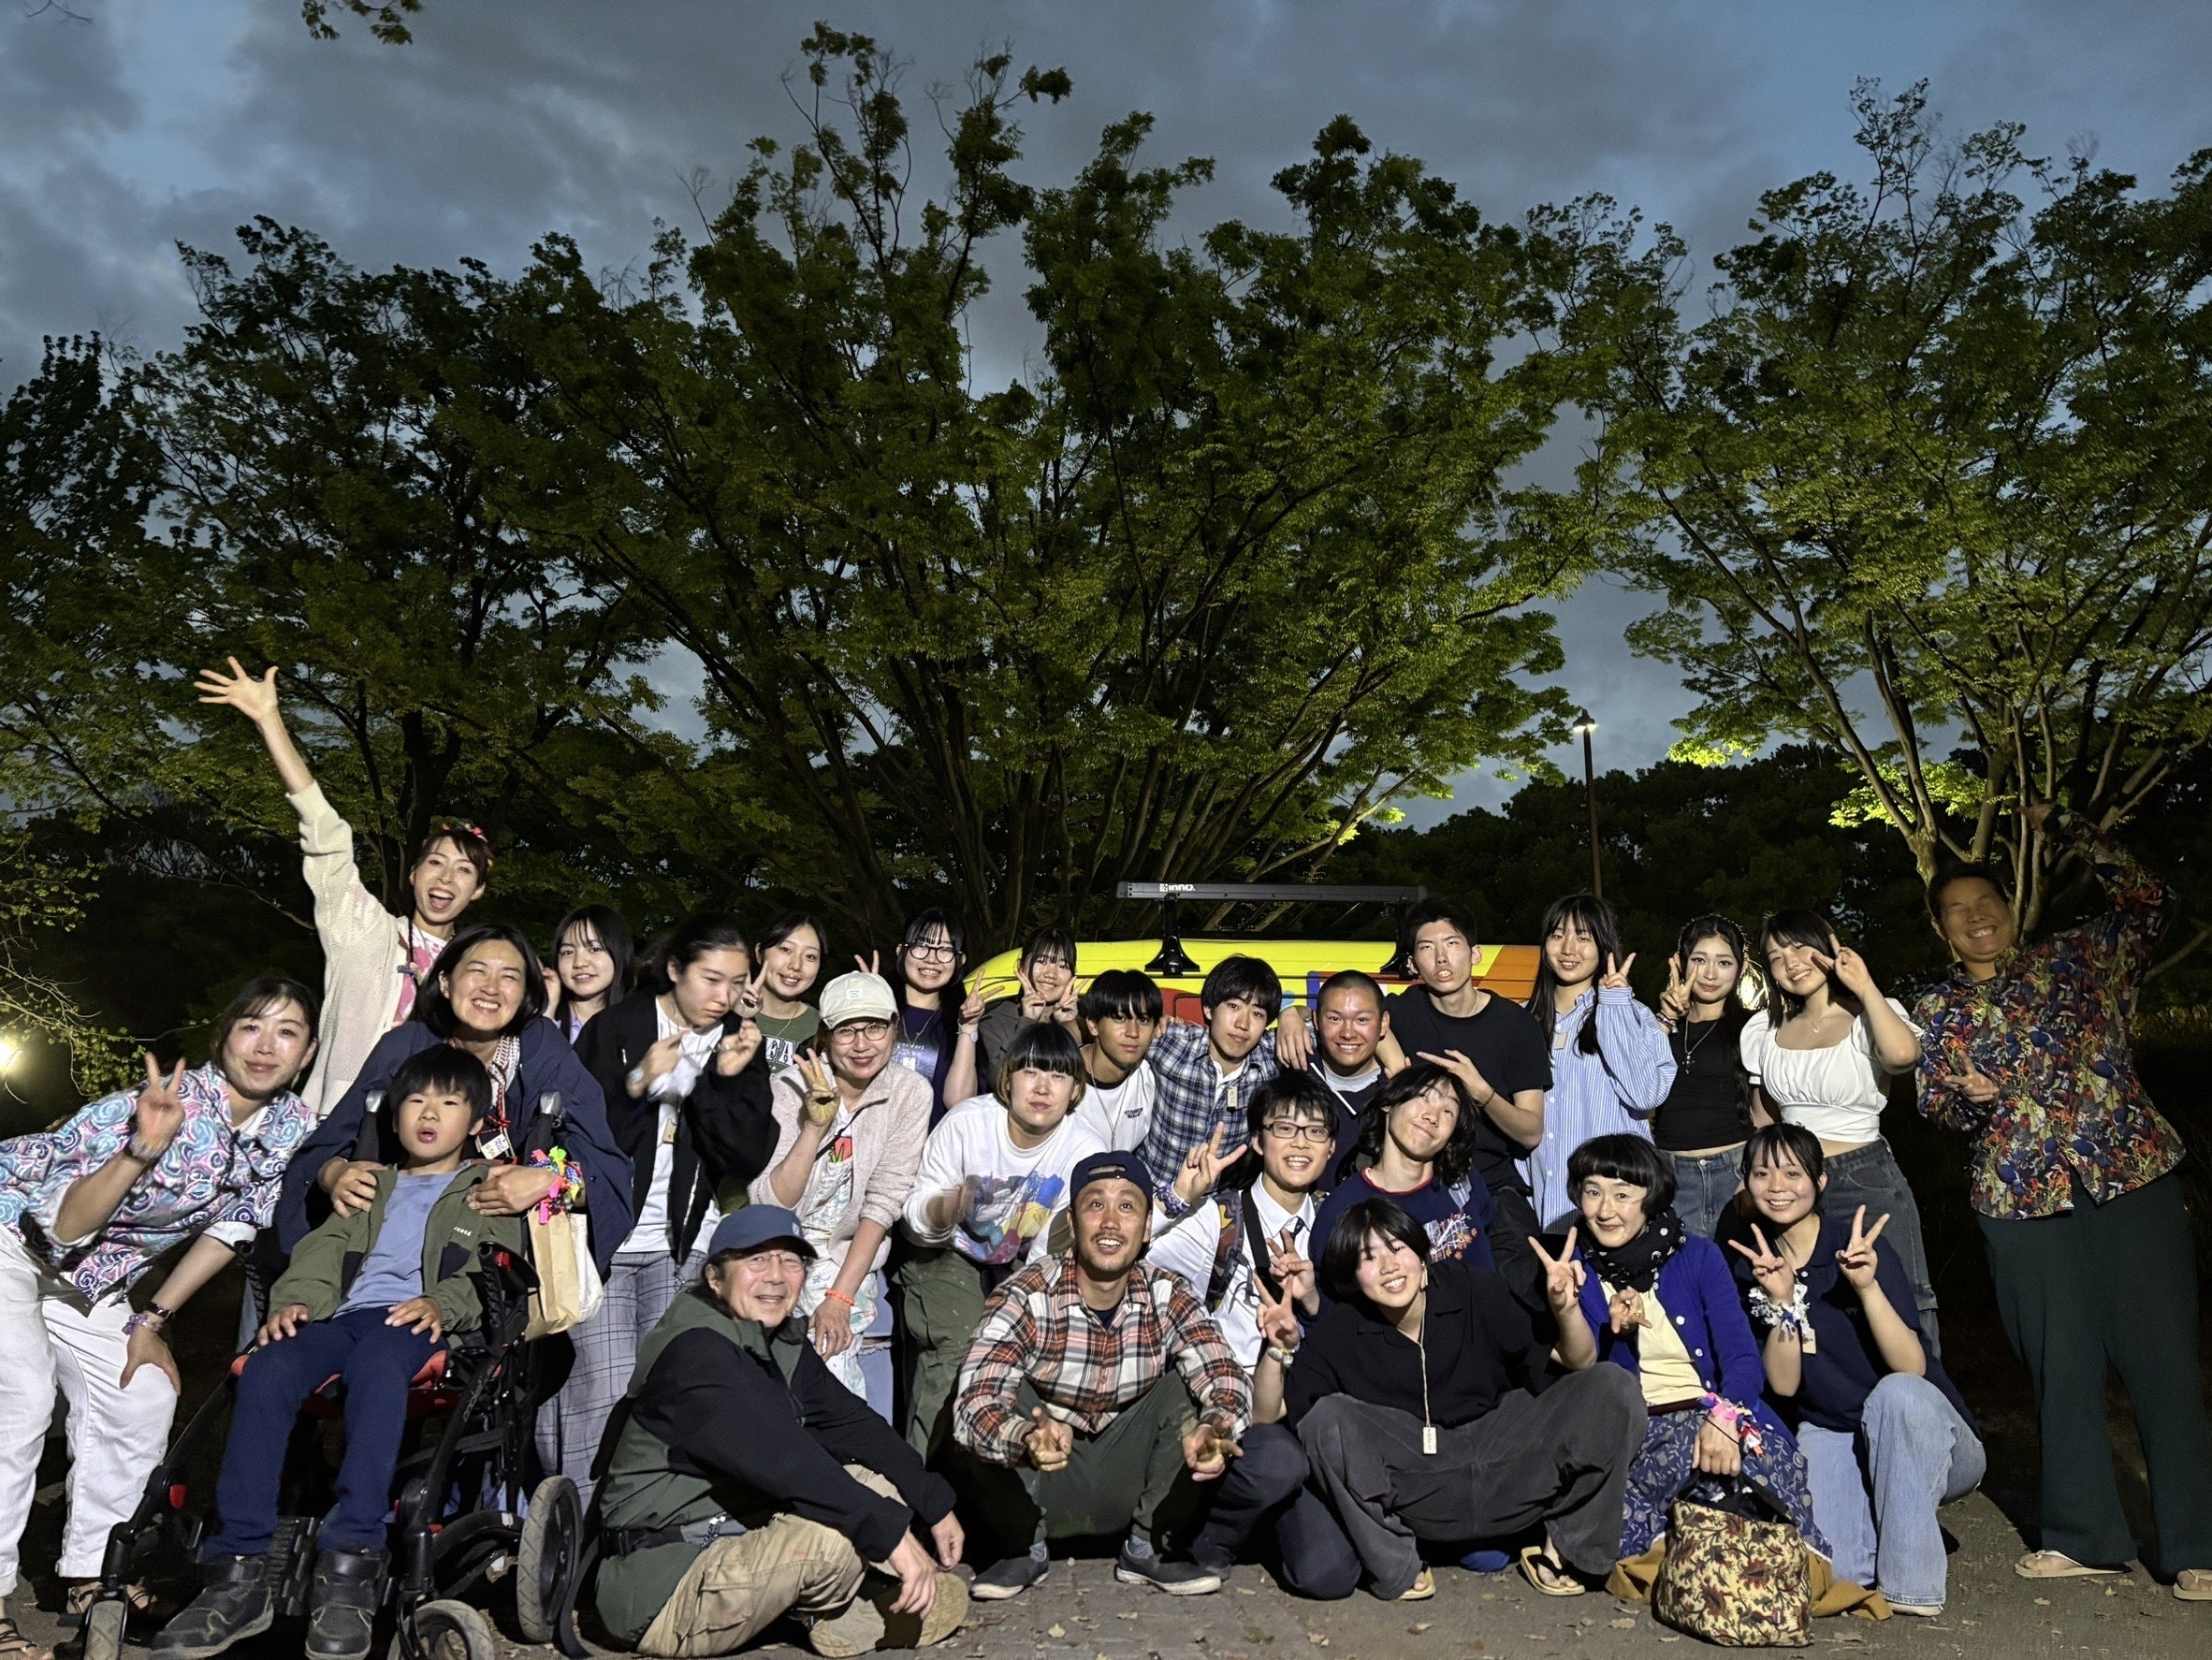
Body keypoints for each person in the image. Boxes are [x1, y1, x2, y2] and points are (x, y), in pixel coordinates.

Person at [1914, 803, 2212, 1597]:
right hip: (2021, 1204)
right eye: (1957, 911)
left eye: (1987, 902)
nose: (1976, 917)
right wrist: (1968, 1097)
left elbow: (2151, 900)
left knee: (2165, 1365)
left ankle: (2198, 1546)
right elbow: (1934, 1104)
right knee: (2061, 1368)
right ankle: (2084, 1537)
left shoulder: (2081, 959)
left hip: (2130, 1178)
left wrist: (2072, 829)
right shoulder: (1939, 1010)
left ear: (2009, 908)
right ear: (1941, 929)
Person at [153, 1049, 525, 1660]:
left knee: (377, 1365)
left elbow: (493, 1271)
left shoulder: (484, 1191)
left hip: (418, 1323)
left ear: (477, 1121)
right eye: (416, 1101)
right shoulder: (372, 1185)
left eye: (449, 1103)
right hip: (342, 1317)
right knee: (267, 1367)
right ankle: (238, 1570)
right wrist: (294, 1302)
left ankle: (352, 1558)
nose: (430, 1114)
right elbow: (322, 1253)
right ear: (395, 1116)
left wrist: (442, 1304)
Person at [0, 981, 320, 1656]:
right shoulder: (152, 1105)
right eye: (251, 1027)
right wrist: (142, 1147)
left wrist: (151, 1321)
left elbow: (233, 1226)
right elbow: (64, 1226)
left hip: (88, 1280)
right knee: (21, 1400)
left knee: (141, 1393)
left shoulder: (290, 1126)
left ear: (309, 1051)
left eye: (286, 1032)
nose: (266, 1046)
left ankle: (95, 1576)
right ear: (223, 1037)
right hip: (14, 1238)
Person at [594, 1207, 968, 1658]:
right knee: (836, 1537)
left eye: (790, 1261)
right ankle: (822, 1613)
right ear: (715, 1278)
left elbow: (853, 1426)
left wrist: (933, 1502)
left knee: (877, 1484)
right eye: (756, 1260)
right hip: (664, 1588)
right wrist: (891, 1536)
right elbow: (787, 1460)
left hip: (729, 1534)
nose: (775, 1276)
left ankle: (816, 1608)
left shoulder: (775, 1341)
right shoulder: (697, 1353)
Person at [1265, 1198, 1645, 1602]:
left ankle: (1564, 1550)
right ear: (1353, 1275)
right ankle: (1397, 1564)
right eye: (1368, 1258)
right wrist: (1276, 1350)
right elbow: (1268, 1413)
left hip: (1508, 1463)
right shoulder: (1344, 1328)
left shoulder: (1472, 1289)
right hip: (1420, 1486)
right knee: (1327, 1418)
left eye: (1397, 1248)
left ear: (1421, 1252)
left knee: (1612, 1387)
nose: (1389, 1266)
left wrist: (1565, 1309)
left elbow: (1579, 1360)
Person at [196, 659, 491, 1118]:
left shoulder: (476, 970)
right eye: (435, 863)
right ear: (413, 874)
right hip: (334, 1121)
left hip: (428, 1135)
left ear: (477, 891)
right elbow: (326, 834)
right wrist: (270, 720)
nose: (446, 878)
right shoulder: (364, 929)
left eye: (464, 870)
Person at [543, 916, 776, 1496]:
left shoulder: (740, 1042)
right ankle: (573, 1530)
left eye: (736, 983)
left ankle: (643, 1523)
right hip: (605, 1242)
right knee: (600, 1393)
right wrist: (638, 1081)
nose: (724, 996)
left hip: (684, 1245)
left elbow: (746, 1157)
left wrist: (721, 1081)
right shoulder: (616, 1028)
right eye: (711, 979)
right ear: (675, 970)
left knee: (666, 1392)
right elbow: (576, 1137)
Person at [952, 1151, 1249, 1600]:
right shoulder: (1025, 1294)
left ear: (1146, 1228)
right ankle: (1022, 1550)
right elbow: (973, 1402)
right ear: (1073, 1224)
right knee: (999, 1398)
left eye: (1127, 1206)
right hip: (1043, 1479)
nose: (1110, 1222)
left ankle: (1148, 1548)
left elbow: (1224, 1373)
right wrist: (1023, 1437)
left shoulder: (1169, 1293)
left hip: (1126, 1479)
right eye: (1095, 1205)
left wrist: (1216, 1426)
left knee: (1190, 1391)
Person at [278, 925, 634, 1276]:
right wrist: (335, 1173)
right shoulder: (406, 1046)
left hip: (496, 1257)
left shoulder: (543, 1050)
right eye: (477, 971)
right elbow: (324, 1149)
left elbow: (607, 1172)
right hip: (395, 1244)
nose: (491, 988)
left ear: (526, 993)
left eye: (509, 977)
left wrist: (551, 1182)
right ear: (445, 982)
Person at [1727, 1125, 1982, 1615]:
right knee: (1837, 1575)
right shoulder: (1755, 1264)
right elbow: (1784, 1384)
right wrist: (1783, 1304)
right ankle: (1895, 1517)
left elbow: (1912, 1367)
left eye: (1792, 1173)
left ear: (1820, 1182)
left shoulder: (1857, 1244)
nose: (1777, 1186)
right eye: (1761, 1174)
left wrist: (1865, 1287)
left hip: (1926, 1432)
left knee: (1895, 1394)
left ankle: (1911, 1588)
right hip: (1834, 1430)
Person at [1554, 1134, 1825, 1565]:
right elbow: (1588, 1371)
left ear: (1650, 1197)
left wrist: (1725, 1419)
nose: (1605, 1210)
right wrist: (1587, 1317)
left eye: (1622, 1195)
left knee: (1757, 1478)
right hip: (1641, 1428)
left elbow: (1741, 1358)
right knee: (1687, 1487)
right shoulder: (1575, 1272)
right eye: (1592, 1192)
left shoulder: (1697, 1256)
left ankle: (1771, 1572)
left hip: (1717, 1410)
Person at [1144, 1075, 1332, 1583]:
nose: (1299, 1143)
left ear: (1332, 1146)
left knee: (1326, 1576)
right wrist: (1178, 1197)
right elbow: (1129, 1253)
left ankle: (1265, 1523)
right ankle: (1212, 1536)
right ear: (1257, 1140)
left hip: (1311, 1409)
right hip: (1236, 1405)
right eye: (1284, 1128)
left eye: (1315, 1131)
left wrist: (1312, 1299)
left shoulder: (1336, 1219)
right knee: (1278, 1464)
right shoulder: (1220, 1218)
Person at [897, 1025, 1105, 1460]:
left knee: (1026, 1347)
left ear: (1076, 1090)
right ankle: (919, 1478)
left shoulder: (1084, 1149)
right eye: (1030, 1072)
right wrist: (948, 1208)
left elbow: (1051, 1254)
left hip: (1019, 1263)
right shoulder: (968, 1124)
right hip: (943, 1251)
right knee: (962, 1344)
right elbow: (913, 1222)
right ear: (1008, 1079)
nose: (1043, 1088)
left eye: (1058, 1076)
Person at [1744, 910, 1938, 1351]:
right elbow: (1764, 1121)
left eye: (1799, 947)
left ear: (1828, 944)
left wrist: (1864, 986)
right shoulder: (1765, 1030)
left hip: (1863, 1174)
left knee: (1902, 1299)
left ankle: (1922, 1391)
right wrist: (1759, 1179)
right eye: (1776, 957)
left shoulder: (1869, 1015)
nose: (1790, 963)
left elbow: (1903, 1056)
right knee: (1812, 1306)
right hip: (1793, 1184)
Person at [750, 972, 930, 1417]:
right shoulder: (790, 1086)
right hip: (779, 1245)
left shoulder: (909, 1092)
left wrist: (840, 1298)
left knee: (831, 1358)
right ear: (826, 1035)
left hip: (844, 1255)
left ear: (894, 1027)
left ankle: (841, 1450)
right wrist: (814, 1126)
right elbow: (771, 1204)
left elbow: (883, 1202)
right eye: (846, 1030)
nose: (862, 1044)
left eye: (875, 1028)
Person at [1372, 899, 1550, 1278]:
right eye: (1427, 947)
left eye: (1452, 944)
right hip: (1417, 1182)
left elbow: (1531, 1131)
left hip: (1493, 1183)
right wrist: (1292, 1015)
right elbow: (1345, 1013)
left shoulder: (1517, 1025)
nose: (1441, 958)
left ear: (1475, 954)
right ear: (1412, 964)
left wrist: (1482, 1092)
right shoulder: (1402, 1012)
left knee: (1521, 1282)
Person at [1518, 896, 1676, 1230]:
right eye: (1558, 935)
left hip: (1613, 1210)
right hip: (1541, 1209)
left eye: (1583, 937)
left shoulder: (1632, 1014)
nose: (1568, 948)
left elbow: (1646, 1094)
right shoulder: (1521, 1020)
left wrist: (1613, 1005)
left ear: (1603, 945)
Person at [1309, 1063, 1499, 1281]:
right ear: (1389, 1103)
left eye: (1448, 1111)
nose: (1433, 1116)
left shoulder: (1463, 1182)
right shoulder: (1343, 1208)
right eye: (1423, 1098)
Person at [1652, 915, 1760, 1237]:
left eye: (1724, 962)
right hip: (1670, 1174)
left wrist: (1755, 1174)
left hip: (1735, 1173)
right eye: (1699, 960)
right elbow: (1637, 1088)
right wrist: (1666, 1019)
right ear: (1680, 963)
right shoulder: (1658, 1026)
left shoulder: (1753, 1027)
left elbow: (1768, 1114)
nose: (1710, 974)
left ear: (1741, 968)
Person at [1135, 955, 1284, 1187]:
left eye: (1257, 1014)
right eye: (1233, 1006)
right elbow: (1104, 1031)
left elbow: (1330, 1026)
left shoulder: (1271, 1056)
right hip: (1153, 1187)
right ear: (1208, 1009)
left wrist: (1293, 1014)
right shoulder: (1172, 1043)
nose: (1243, 1024)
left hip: (1217, 1199)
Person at [1274, 971, 1391, 1186]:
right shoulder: (1293, 1062)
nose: (1348, 1033)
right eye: (1335, 1019)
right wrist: (1289, 1013)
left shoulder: (1395, 1089)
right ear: (1316, 1020)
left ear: (1384, 1024)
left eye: (1362, 1020)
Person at [951, 927, 1082, 1105]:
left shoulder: (1083, 1023)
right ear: (1021, 966)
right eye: (1041, 961)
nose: (1051, 974)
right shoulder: (995, 1020)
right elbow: (1000, 1082)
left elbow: (1082, 1086)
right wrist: (1027, 1023)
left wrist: (1069, 1028)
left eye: (1063, 966)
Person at [881, 911, 968, 1125]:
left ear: (960, 960)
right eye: (921, 946)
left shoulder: (961, 1022)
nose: (931, 959)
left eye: (945, 950)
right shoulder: (880, 1010)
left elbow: (962, 1106)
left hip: (931, 1143)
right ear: (901, 951)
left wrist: (970, 1028)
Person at [1071, 970, 1163, 1153]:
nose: (1133, 1032)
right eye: (1120, 1018)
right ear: (1093, 1024)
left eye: (1143, 1020)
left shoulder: (1150, 1076)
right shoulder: (1063, 1076)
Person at [753, 913, 828, 1071]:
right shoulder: (722, 1014)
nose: (796, 965)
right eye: (785, 949)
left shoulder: (823, 1029)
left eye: (810, 956)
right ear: (760, 953)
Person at [549, 906, 634, 1042]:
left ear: (619, 953)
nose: (579, 963)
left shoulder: (643, 1021)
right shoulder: (540, 1020)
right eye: (568, 952)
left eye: (594, 949)